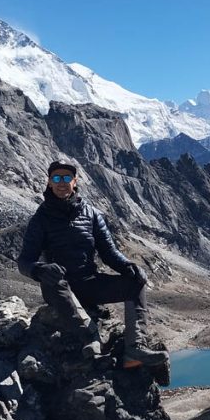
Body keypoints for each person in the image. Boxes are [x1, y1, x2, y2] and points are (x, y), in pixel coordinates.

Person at [17, 159, 168, 374]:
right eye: (56, 178)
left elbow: (109, 252)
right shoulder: (40, 220)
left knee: (136, 283)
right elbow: (24, 262)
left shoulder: (92, 214)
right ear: (49, 183)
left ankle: (135, 348)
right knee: (58, 280)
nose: (61, 183)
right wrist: (40, 270)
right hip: (59, 288)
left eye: (66, 178)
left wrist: (127, 266)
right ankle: (90, 337)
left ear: (75, 181)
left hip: (89, 284)